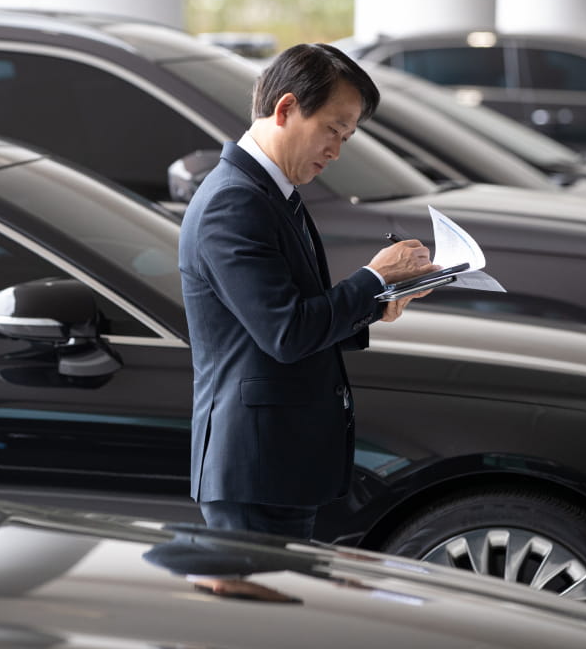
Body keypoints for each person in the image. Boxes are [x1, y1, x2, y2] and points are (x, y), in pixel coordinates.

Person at [178, 42, 437, 539]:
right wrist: (375, 279)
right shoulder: (233, 203)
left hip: (275, 468)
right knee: (258, 616)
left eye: (347, 136)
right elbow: (286, 332)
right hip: (254, 473)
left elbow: (291, 316)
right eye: (332, 131)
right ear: (287, 108)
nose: (336, 151)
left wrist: (377, 307)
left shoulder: (269, 192)